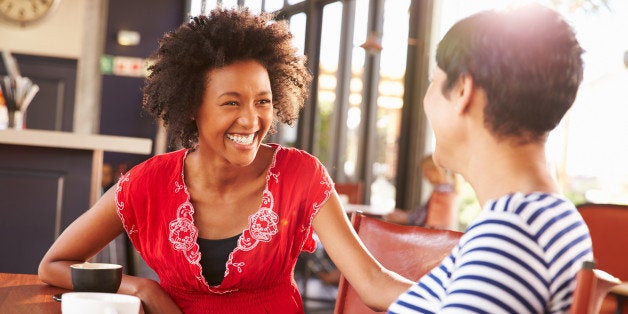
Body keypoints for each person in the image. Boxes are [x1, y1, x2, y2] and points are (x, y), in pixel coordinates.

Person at [38, 8, 412, 314]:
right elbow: (53, 265)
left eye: (262, 101)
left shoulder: (301, 175)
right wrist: (142, 288)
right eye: (231, 102)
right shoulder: (147, 183)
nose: (251, 121)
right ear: (191, 109)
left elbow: (373, 282)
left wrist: (458, 303)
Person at [388, 4, 593, 313]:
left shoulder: (512, 233)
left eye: (433, 79)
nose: (425, 100)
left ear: (462, 90)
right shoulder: (545, 215)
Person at [385, 154, 458, 230]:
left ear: (436, 170)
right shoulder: (447, 189)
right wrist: (406, 215)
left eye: (426, 172)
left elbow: (424, 216)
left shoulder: (442, 192)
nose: (424, 176)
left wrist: (405, 217)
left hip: (434, 235)